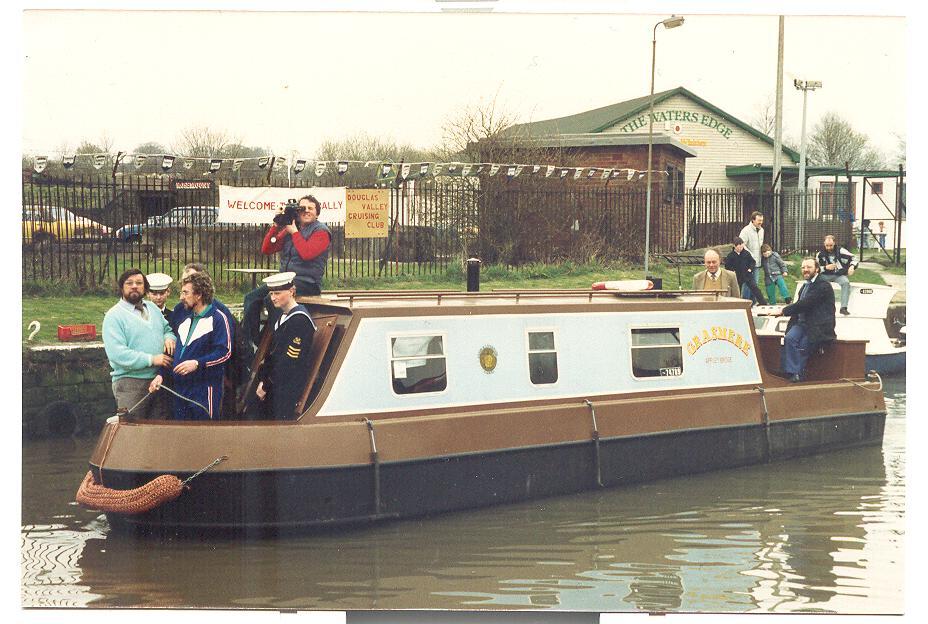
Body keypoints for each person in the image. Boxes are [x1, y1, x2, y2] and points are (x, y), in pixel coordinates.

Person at [243, 195, 331, 347]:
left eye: (311, 208)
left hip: (307, 282)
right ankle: (251, 341)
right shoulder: (291, 228)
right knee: (251, 298)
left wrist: (295, 233)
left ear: (317, 213)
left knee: (272, 300)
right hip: (286, 281)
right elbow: (267, 248)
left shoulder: (321, 231)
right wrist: (276, 225)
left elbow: (307, 253)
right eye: (302, 208)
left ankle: (280, 342)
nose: (306, 211)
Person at [150, 272, 232, 420]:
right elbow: (173, 353)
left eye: (185, 293)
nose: (181, 297)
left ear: (199, 295)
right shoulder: (185, 320)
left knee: (205, 435)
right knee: (183, 435)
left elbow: (224, 352)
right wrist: (160, 375)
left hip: (204, 389)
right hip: (181, 389)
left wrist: (197, 363)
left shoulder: (218, 318)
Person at [102, 268, 176, 419]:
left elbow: (167, 329)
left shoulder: (154, 309)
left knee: (158, 431)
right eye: (129, 283)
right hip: (130, 384)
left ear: (145, 288)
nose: (134, 286)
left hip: (158, 381)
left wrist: (169, 337)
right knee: (132, 431)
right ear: (121, 288)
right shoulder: (113, 316)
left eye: (139, 283)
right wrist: (152, 359)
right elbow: (118, 354)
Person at [255, 272, 317, 420]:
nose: (273, 298)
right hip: (275, 383)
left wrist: (266, 385)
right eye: (271, 293)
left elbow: (288, 362)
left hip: (285, 388)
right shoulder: (284, 316)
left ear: (291, 292)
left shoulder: (299, 320)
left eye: (277, 293)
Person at [776, 258, 836, 382]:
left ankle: (798, 377)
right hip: (801, 324)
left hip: (817, 326)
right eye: (803, 267)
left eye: (809, 267)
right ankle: (793, 373)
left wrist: (783, 311)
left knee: (803, 347)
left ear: (817, 269)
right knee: (789, 339)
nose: (805, 270)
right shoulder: (805, 286)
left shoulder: (823, 285)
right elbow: (799, 304)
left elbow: (806, 303)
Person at [816, 235, 857, 315]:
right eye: (827, 245)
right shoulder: (820, 254)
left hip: (838, 275)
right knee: (816, 282)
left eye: (831, 245)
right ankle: (818, 306)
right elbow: (815, 269)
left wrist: (852, 267)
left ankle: (843, 307)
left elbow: (854, 258)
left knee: (845, 282)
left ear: (834, 243)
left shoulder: (841, 251)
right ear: (824, 244)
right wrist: (825, 267)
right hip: (824, 275)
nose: (828, 248)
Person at [724, 237, 767, 305]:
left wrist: (750, 269)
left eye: (742, 247)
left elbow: (752, 262)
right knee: (736, 290)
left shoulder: (746, 253)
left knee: (755, 287)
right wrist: (732, 271)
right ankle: (735, 304)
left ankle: (763, 302)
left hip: (747, 274)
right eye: (739, 247)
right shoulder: (730, 256)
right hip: (737, 276)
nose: (740, 249)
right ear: (734, 246)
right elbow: (727, 266)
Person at [738, 211, 765, 292]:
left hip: (757, 262)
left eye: (762, 220)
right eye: (759, 220)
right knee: (748, 284)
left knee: (755, 284)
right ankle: (746, 302)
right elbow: (741, 245)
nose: (761, 222)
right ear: (753, 220)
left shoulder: (762, 230)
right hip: (747, 262)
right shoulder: (746, 230)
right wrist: (750, 255)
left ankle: (752, 302)